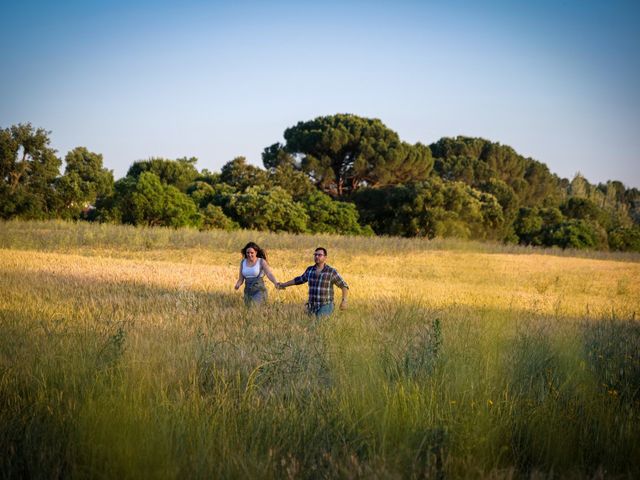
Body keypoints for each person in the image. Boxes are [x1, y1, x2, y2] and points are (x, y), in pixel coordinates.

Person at [278, 247, 349, 317]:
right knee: (311, 326)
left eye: (319, 255)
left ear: (325, 257)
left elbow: (343, 286)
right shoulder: (310, 270)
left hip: (325, 305)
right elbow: (299, 280)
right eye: (315, 255)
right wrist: (283, 285)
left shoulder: (331, 271)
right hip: (311, 306)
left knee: (319, 324)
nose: (317, 256)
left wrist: (344, 301)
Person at [234, 242, 279, 306]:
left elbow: (269, 274)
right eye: (248, 253)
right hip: (247, 291)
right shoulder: (243, 262)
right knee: (249, 311)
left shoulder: (261, 261)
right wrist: (237, 285)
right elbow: (241, 279)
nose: (249, 255)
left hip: (259, 290)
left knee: (254, 306)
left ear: (256, 252)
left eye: (252, 253)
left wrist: (275, 282)